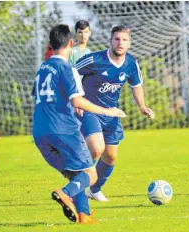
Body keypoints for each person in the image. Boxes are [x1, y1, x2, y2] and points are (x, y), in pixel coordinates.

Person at [32, 24, 126, 224]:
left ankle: (84, 215)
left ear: (51, 44)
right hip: (63, 130)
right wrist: (106, 111)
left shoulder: (42, 69)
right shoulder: (67, 68)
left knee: (77, 174)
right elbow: (77, 101)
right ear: (71, 43)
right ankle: (64, 193)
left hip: (40, 133)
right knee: (90, 175)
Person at [75, 25, 155, 202]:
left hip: (111, 114)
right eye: (117, 39)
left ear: (129, 43)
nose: (120, 43)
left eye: (124, 40)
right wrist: (76, 98)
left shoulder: (131, 63)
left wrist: (142, 106)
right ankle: (75, 188)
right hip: (89, 111)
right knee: (96, 148)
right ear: (111, 41)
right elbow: (69, 73)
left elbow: (136, 85)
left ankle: (94, 190)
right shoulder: (94, 60)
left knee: (110, 156)